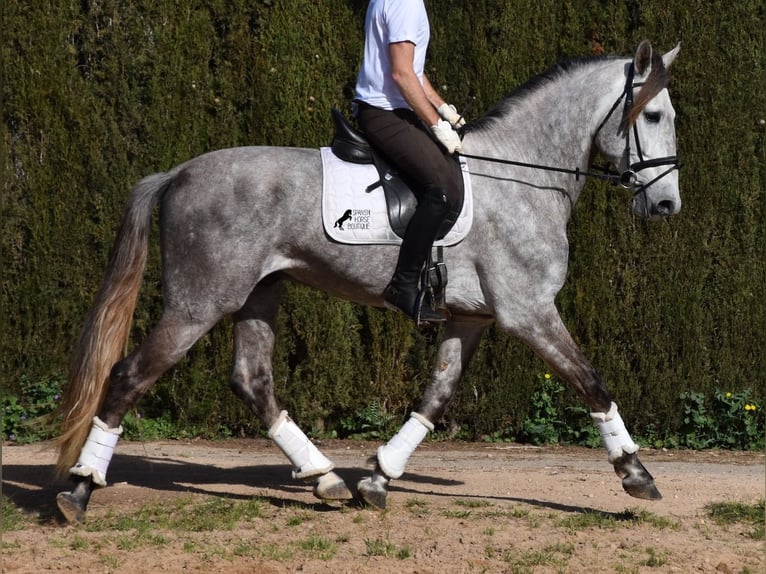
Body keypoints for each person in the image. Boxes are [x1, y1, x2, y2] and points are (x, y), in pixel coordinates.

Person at [354, 0, 465, 325]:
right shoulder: (406, 3)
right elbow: (402, 74)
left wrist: (444, 109)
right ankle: (403, 285)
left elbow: (413, 69)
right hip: (385, 113)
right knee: (443, 188)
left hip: (392, 109)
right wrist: (435, 125)